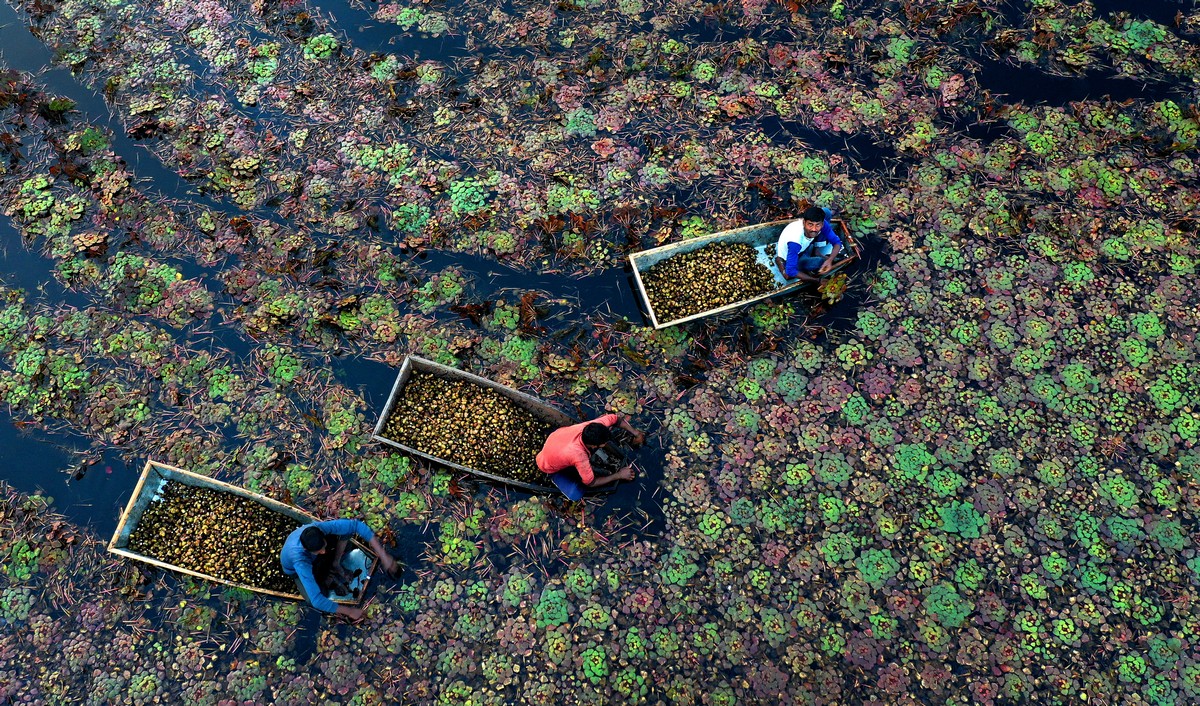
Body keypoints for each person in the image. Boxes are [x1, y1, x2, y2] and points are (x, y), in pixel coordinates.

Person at [280, 518, 398, 620]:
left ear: (322, 534)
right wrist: (349, 611)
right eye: (319, 551)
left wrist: (384, 557)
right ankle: (326, 575)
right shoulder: (300, 561)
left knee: (346, 533)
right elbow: (316, 600)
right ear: (307, 550)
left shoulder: (319, 527)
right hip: (296, 570)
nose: (323, 552)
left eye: (324, 547)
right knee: (317, 596)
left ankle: (335, 564)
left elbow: (355, 525)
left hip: (315, 556)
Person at [536, 413, 646, 501]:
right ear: (593, 445)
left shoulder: (590, 426)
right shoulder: (579, 455)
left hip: (555, 440)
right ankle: (554, 477)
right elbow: (591, 483)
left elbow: (615, 419)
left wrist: (636, 433)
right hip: (546, 466)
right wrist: (619, 475)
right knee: (576, 494)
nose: (604, 444)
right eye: (603, 443)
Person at [774, 205, 842, 282]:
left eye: (818, 225)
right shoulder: (795, 241)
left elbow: (837, 242)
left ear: (822, 224)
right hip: (795, 255)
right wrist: (817, 280)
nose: (814, 229)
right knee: (820, 262)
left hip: (806, 246)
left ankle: (816, 251)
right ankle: (781, 263)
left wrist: (830, 260)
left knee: (826, 212)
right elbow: (790, 271)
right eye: (810, 224)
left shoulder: (823, 225)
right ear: (804, 222)